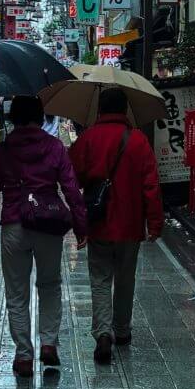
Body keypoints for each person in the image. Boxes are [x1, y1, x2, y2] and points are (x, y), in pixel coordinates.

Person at [0, 95, 87, 378]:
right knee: (50, 284)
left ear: (13, 119)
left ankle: (23, 356)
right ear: (41, 117)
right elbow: (71, 189)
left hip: (14, 225)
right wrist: (81, 227)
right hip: (47, 223)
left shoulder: (5, 149)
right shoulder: (54, 146)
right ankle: (48, 343)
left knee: (17, 293)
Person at [70, 87, 162, 364]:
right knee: (125, 278)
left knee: (99, 279)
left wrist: (80, 220)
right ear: (124, 110)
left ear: (99, 110)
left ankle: (102, 333)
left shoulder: (87, 139)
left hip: (98, 223)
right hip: (130, 223)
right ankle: (121, 330)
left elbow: (73, 179)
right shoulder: (138, 141)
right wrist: (155, 223)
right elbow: (151, 185)